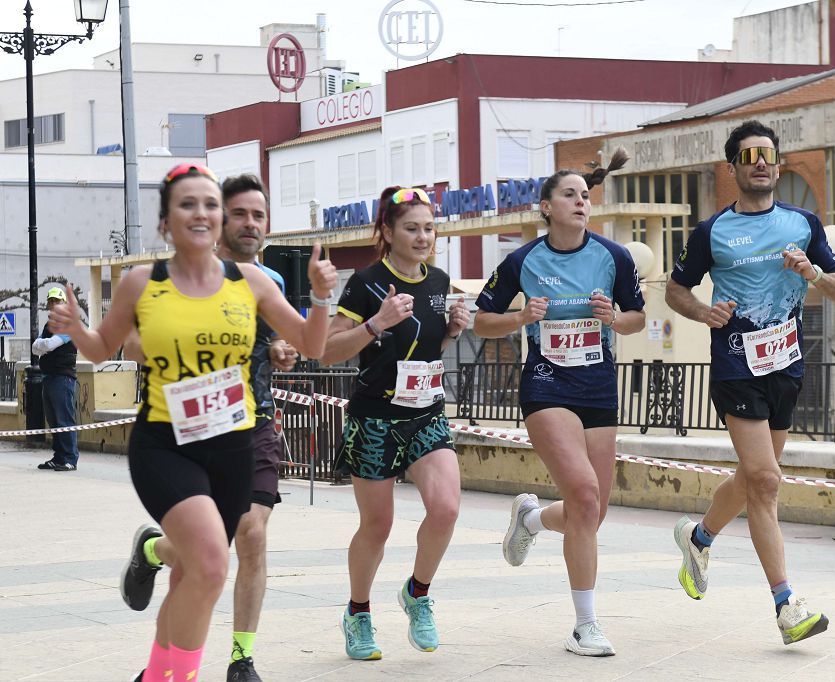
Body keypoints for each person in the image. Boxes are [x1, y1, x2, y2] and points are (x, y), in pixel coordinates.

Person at [47, 163, 337, 682]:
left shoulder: (252, 282)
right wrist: (76, 328)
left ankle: (155, 676)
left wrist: (318, 297)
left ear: (218, 218)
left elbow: (313, 345)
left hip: (233, 446)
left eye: (209, 204)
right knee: (210, 565)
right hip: (166, 444)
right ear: (166, 221)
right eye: (187, 204)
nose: (201, 213)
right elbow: (103, 348)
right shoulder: (142, 283)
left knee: (192, 574)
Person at [664, 120, 835, 645]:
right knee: (767, 481)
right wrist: (704, 312)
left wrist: (812, 273)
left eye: (767, 154)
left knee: (753, 479)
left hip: (785, 366)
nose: (761, 162)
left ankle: (699, 537)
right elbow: (675, 290)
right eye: (749, 156)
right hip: (736, 366)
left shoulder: (803, 223)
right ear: (733, 168)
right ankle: (786, 605)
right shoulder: (712, 232)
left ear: (778, 162)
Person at [117, 174, 297, 682]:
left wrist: (280, 347)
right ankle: (154, 555)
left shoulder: (267, 282)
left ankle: (242, 658)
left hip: (254, 423)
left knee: (251, 534)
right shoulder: (171, 281)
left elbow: (281, 337)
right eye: (238, 214)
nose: (249, 224)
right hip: (187, 430)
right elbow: (132, 342)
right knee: (205, 555)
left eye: (258, 216)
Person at [473, 149, 645, 657]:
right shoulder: (523, 261)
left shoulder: (614, 257)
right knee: (584, 494)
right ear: (546, 207)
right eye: (570, 195)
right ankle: (585, 626)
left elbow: (638, 318)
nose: (581, 202)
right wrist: (521, 318)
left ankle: (530, 520)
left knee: (592, 512)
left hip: (598, 387)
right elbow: (482, 321)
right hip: (547, 386)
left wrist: (613, 318)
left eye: (585, 196)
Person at [320, 186, 469, 661]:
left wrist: (452, 331)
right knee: (377, 526)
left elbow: (428, 347)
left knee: (446, 509)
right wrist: (375, 323)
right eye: (411, 228)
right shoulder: (366, 283)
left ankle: (417, 594)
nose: (423, 237)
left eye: (429, 228)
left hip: (426, 413)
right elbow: (327, 352)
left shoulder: (439, 280)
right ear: (387, 231)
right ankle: (358, 612)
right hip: (376, 420)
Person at [33, 286, 81, 471]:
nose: (54, 304)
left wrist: (42, 345)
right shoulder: (49, 326)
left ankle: (70, 459)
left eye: (57, 301)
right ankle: (59, 457)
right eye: (51, 301)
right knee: (53, 420)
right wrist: (43, 345)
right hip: (49, 377)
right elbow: (34, 348)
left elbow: (50, 345)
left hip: (63, 378)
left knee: (65, 419)